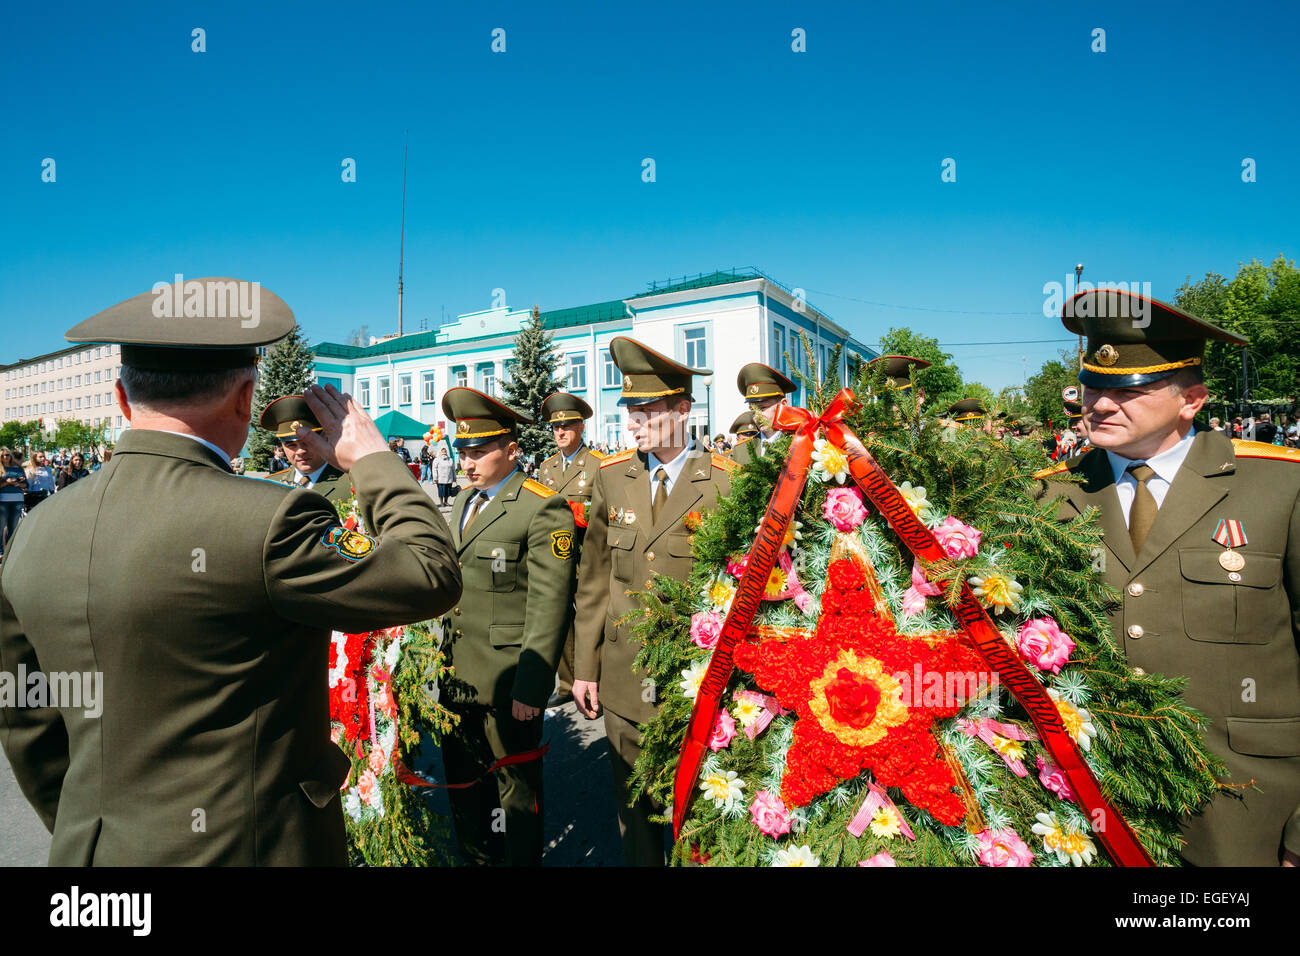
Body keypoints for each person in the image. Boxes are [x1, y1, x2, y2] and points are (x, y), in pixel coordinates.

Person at [0, 277, 462, 866]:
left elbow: (25, 722)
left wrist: (89, 828)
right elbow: (430, 572)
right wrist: (373, 459)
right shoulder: (268, 520)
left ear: (120, 398)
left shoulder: (35, 531)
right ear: (245, 397)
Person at [1035, 287, 1300, 867]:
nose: (1101, 404)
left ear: (1192, 400)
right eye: (1093, 386)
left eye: (1128, 389)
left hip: (1246, 805)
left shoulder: (1279, 487)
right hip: (1091, 804)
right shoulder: (1050, 494)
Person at [572, 336, 736, 865]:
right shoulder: (611, 477)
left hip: (697, 680)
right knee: (635, 813)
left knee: (700, 813)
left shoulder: (725, 485)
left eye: (646, 410)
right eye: (629, 409)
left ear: (683, 408)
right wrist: (584, 666)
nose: (634, 421)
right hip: (622, 676)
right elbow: (593, 580)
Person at [437, 387, 574, 866]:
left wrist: (532, 686)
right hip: (456, 678)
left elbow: (549, 603)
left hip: (508, 681)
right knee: (465, 788)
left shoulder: (540, 507)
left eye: (479, 451)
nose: (468, 462)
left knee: (514, 796)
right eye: (462, 451)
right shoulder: (462, 503)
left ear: (511, 450)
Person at [537, 392, 606, 704]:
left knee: (593, 618)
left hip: (590, 556)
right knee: (561, 618)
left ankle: (599, 682)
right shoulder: (546, 468)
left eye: (566, 426)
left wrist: (584, 516)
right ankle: (567, 685)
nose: (559, 432)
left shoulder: (599, 466)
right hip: (558, 556)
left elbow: (607, 514)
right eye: (555, 427)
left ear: (581, 428)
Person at [260, 394, 354, 503]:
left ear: (325, 438)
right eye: (291, 445)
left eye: (307, 442)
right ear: (283, 447)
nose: (300, 451)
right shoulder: (270, 485)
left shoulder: (352, 484)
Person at [730, 362, 797, 467]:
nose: (757, 417)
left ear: (783, 405)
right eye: (753, 410)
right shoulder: (741, 450)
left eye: (763, 408)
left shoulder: (799, 441)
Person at [0, 448, 27, 557]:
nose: (5, 457)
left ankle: (11, 551)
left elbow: (26, 485)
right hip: (3, 500)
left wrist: (17, 484)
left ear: (11, 455)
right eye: (2, 456)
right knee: (1, 526)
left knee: (13, 526)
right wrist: (7, 483)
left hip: (17, 499)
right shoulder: (1, 469)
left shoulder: (18, 469)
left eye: (7, 455)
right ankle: (1, 551)